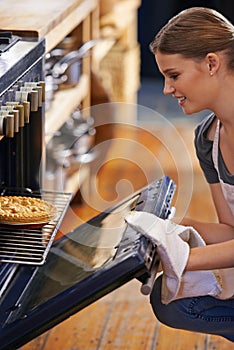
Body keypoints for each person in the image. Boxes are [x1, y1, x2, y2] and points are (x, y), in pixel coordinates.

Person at [125, 7, 234, 342]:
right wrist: (172, 228)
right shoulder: (208, 138)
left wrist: (181, 257)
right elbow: (230, 231)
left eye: (174, 75)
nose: (166, 89)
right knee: (171, 302)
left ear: (212, 64)